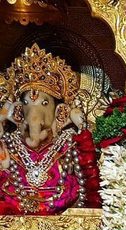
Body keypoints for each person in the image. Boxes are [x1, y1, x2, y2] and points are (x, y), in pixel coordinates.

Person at [0, 44, 88, 214]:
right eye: (27, 104)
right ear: (18, 110)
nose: (34, 113)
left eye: (44, 103)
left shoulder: (69, 145)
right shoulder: (8, 145)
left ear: (60, 112)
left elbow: (86, 180)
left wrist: (83, 128)